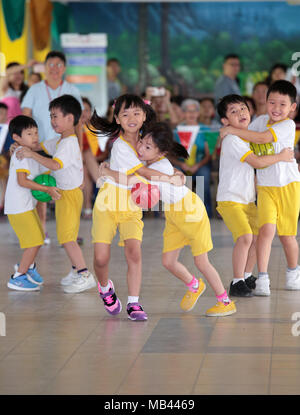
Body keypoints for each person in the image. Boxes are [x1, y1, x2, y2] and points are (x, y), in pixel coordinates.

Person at [99, 122, 237, 317]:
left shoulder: (156, 167)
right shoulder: (149, 164)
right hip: (174, 215)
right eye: (141, 143)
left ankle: (225, 301)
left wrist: (106, 172)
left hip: (191, 213)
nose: (140, 148)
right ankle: (195, 285)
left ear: (161, 153)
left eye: (147, 147)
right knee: (168, 261)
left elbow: (136, 177)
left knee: (201, 262)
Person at [88, 94, 185, 321]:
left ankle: (134, 302)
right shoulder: (120, 146)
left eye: (136, 113)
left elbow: (157, 158)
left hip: (132, 204)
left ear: (144, 116)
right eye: (125, 114)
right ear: (117, 119)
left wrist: (173, 173)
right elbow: (142, 172)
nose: (131, 117)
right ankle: (105, 288)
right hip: (108, 203)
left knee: (134, 252)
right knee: (101, 258)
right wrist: (168, 178)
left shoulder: (145, 139)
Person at [219, 81, 300, 295]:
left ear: (292, 107)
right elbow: (246, 132)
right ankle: (262, 278)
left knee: (287, 235)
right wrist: (230, 130)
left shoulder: (287, 125)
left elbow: (262, 138)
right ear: (265, 102)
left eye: (283, 104)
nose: (276, 108)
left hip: (289, 186)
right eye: (272, 102)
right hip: (265, 187)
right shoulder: (260, 121)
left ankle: (293, 272)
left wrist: (228, 129)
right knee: (265, 232)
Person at [16, 94, 96, 294]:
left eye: (55, 116)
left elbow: (53, 163)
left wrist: (31, 155)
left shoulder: (69, 143)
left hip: (69, 195)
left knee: (68, 238)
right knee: (65, 234)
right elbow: (37, 146)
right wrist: (19, 146)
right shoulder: (60, 141)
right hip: (64, 194)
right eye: (50, 116)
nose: (52, 121)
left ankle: (85, 275)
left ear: (70, 119)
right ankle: (75, 270)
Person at [21, 50, 84, 245]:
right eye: (51, 64)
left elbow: (79, 122)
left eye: (58, 65)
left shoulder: (72, 90)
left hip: (64, 146)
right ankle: (42, 230)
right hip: (41, 145)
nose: (54, 69)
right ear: (45, 67)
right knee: (42, 186)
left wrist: (80, 149)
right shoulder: (35, 89)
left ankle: (70, 233)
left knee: (69, 188)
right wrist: (27, 142)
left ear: (64, 68)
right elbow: (25, 115)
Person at [4, 115, 61, 291]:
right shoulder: (22, 155)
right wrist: (47, 190)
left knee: (38, 238)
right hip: (18, 207)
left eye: (36, 132)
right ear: (16, 138)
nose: (35, 136)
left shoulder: (30, 154)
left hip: (26, 205)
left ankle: (29, 268)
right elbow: (23, 181)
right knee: (34, 241)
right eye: (29, 133)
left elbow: (43, 174)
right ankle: (18, 276)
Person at [173, 98, 213, 217]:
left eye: (194, 111)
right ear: (183, 113)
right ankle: (179, 213)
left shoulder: (205, 130)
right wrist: (181, 165)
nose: (191, 114)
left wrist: (197, 165)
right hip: (181, 165)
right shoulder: (176, 131)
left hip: (200, 164)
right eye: (187, 111)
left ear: (198, 112)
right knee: (175, 176)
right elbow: (169, 154)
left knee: (203, 177)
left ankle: (204, 212)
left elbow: (209, 154)